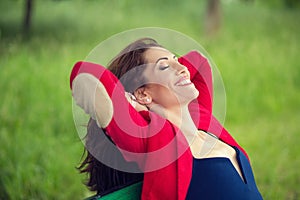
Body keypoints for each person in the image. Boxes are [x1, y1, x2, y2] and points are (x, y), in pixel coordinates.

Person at [70, 38, 263, 199]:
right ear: (143, 94)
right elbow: (89, 77)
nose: (181, 68)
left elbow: (197, 62)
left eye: (176, 60)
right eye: (164, 66)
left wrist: (168, 75)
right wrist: (135, 108)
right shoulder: (157, 143)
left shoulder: (202, 119)